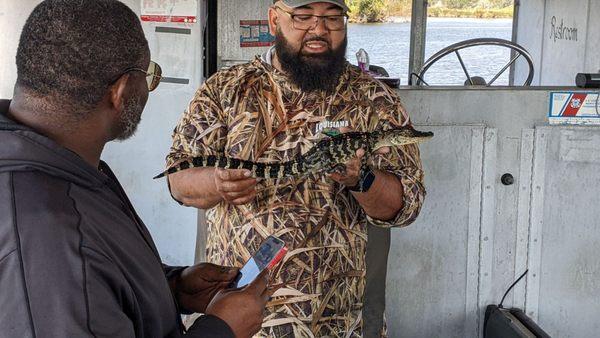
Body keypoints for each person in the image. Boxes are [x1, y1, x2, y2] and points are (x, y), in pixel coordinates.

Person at [0, 1, 270, 337]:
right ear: (122, 91)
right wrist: (221, 328)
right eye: (148, 75)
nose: (147, 88)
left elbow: (98, 293)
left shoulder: (63, 168)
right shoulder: (53, 238)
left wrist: (171, 287)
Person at [165, 0, 426, 336]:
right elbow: (177, 181)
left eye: (332, 18)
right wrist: (217, 182)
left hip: (340, 319)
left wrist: (361, 179)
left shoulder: (375, 99)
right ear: (275, 20)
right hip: (237, 318)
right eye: (304, 16)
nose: (319, 30)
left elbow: (407, 206)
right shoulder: (224, 90)